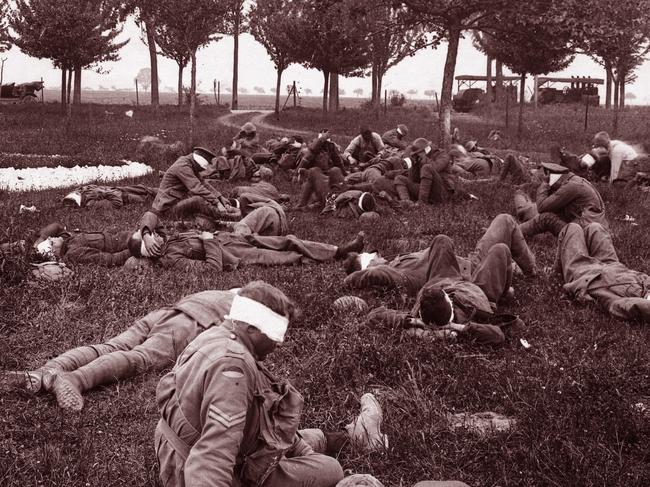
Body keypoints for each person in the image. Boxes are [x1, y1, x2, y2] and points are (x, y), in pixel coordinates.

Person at [154, 281, 386, 486]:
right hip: (197, 468)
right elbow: (213, 456)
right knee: (330, 469)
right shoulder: (232, 369)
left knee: (291, 443)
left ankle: (354, 436)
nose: (280, 343)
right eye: (275, 333)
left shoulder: (216, 336)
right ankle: (355, 437)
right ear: (251, 328)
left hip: (177, 448)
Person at [5, 287, 242, 411]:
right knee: (140, 357)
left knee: (112, 346)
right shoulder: (247, 307)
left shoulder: (221, 292)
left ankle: (45, 371)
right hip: (188, 323)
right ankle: (75, 380)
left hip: (166, 312)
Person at [344, 213, 536, 295]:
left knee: (505, 223)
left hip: (470, 261)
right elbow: (370, 276)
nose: (377, 255)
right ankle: (531, 272)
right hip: (472, 274)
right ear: (368, 269)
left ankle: (520, 269)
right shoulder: (392, 275)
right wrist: (351, 278)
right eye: (371, 258)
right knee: (505, 224)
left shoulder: (396, 264)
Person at [128, 218, 366, 271]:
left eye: (151, 235)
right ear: (150, 251)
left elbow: (149, 216)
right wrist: (209, 242)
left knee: (288, 240)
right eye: (150, 238)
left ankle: (338, 250)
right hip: (234, 254)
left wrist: (146, 233)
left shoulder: (164, 239)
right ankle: (337, 259)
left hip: (234, 239)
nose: (155, 235)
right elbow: (211, 269)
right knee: (287, 257)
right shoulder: (172, 260)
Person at [141, 147, 239, 255]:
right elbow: (197, 187)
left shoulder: (189, 163)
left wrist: (220, 197)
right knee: (197, 200)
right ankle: (230, 216)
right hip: (166, 211)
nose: (202, 171)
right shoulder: (183, 167)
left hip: (173, 205)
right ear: (198, 163)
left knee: (200, 204)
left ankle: (227, 213)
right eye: (201, 168)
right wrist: (217, 203)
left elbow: (204, 183)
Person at [557, 222, 650, 322]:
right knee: (595, 227)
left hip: (585, 274)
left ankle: (557, 270)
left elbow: (623, 307)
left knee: (572, 228)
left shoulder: (623, 302)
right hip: (612, 265)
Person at [515, 162, 608, 239]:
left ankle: (511, 233)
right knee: (531, 209)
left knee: (545, 218)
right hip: (591, 229)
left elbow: (542, 207)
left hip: (583, 234)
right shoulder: (576, 181)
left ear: (551, 176)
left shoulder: (571, 186)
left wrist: (544, 183)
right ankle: (521, 202)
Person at [393, 138, 467, 206]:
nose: (417, 155)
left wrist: (424, 159)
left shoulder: (442, 155)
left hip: (443, 191)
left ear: (424, 150)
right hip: (426, 191)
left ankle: (422, 203)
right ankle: (407, 202)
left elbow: (435, 168)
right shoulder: (420, 159)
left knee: (426, 167)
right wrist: (414, 165)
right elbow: (413, 180)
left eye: (418, 153)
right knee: (399, 178)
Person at [32, 222, 132, 267]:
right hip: (127, 243)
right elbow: (111, 259)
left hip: (124, 236)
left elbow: (56, 226)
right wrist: (135, 249)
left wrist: (40, 240)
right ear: (55, 252)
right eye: (50, 242)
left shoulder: (66, 242)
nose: (50, 237)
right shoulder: (74, 254)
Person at [295, 130, 346, 211]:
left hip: (325, 180)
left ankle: (332, 200)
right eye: (323, 143)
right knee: (314, 171)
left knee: (335, 170)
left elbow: (338, 162)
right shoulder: (312, 151)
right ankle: (326, 202)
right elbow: (305, 160)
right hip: (313, 181)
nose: (325, 146)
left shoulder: (330, 148)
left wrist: (345, 174)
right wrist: (323, 138)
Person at [62, 184, 157, 210]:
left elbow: (92, 186)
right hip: (125, 197)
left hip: (119, 189)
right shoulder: (90, 204)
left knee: (145, 188)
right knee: (147, 201)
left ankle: (168, 189)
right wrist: (107, 193)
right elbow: (117, 204)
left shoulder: (81, 191)